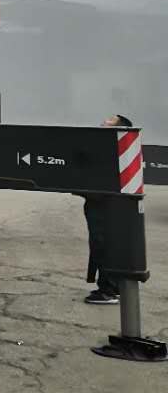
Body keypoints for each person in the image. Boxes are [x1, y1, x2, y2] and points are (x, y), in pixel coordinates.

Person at [82, 114, 132, 304]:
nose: (104, 121)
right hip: (100, 201)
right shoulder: (107, 147)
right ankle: (111, 287)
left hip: (104, 203)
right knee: (102, 243)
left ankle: (109, 290)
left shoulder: (113, 149)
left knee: (103, 243)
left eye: (110, 119)